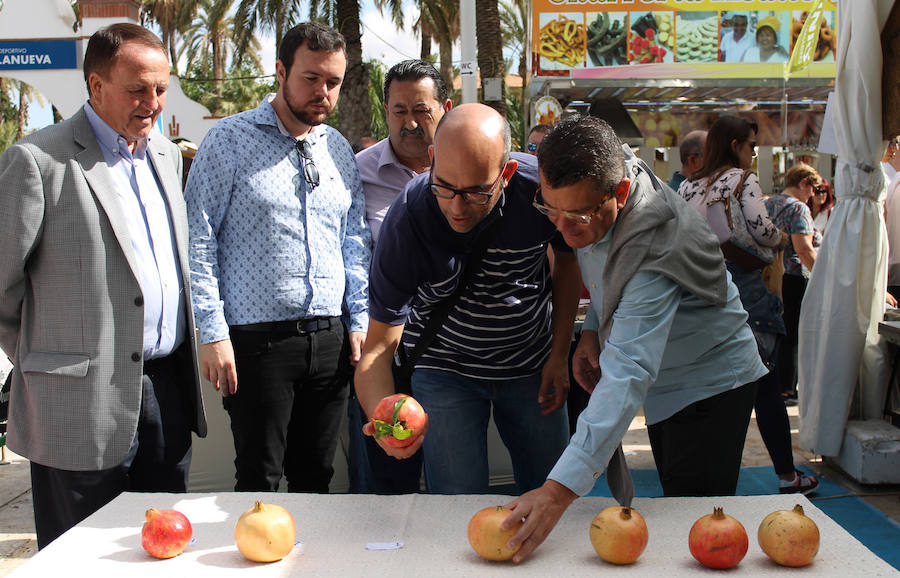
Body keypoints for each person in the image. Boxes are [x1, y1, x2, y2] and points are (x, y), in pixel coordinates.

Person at [499, 115, 767, 563]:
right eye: (551, 210)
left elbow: (627, 374)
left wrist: (556, 491)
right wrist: (591, 331)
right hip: (667, 378)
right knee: (674, 508)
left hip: (710, 381)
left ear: (621, 194)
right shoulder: (603, 168)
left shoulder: (655, 248)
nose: (563, 232)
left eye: (578, 218)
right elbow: (609, 275)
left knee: (697, 530)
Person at [0, 23, 207, 548]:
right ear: (96, 86)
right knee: (81, 556)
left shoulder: (163, 155)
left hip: (166, 394)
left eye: (160, 88)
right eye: (138, 88)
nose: (153, 102)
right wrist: (42, 362)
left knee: (163, 551)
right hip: (77, 405)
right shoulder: (37, 162)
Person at [354, 103, 581, 495]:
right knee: (456, 508)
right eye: (444, 187)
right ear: (431, 160)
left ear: (507, 173)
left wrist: (560, 354)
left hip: (533, 366)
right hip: (445, 372)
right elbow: (377, 348)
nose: (457, 208)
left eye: (476, 191)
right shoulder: (409, 216)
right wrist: (384, 417)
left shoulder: (540, 191)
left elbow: (568, 258)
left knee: (554, 495)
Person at [185, 22, 371, 493]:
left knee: (318, 477)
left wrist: (359, 320)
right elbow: (199, 241)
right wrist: (213, 333)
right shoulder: (228, 140)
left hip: (330, 341)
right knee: (259, 477)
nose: (323, 93)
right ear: (281, 70)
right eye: (311, 79)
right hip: (256, 344)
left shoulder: (338, 149)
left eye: (333, 82)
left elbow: (353, 239)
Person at [679, 116, 817, 495]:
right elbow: (761, 228)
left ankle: (708, 476)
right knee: (764, 383)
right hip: (744, 287)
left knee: (712, 387)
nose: (754, 153)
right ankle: (788, 476)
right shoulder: (742, 179)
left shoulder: (689, 186)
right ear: (737, 144)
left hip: (698, 289)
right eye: (752, 146)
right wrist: (781, 239)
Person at [349, 59, 452, 494]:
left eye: (421, 110)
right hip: (387, 351)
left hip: (459, 355)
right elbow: (347, 255)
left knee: (456, 479)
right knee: (388, 479)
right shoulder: (356, 172)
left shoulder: (474, 165)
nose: (409, 123)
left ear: (445, 108)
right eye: (398, 111)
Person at [765, 163, 823, 402]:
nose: (813, 194)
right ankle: (787, 388)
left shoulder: (767, 203)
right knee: (792, 334)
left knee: (775, 331)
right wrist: (825, 275)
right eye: (813, 188)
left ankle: (774, 384)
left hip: (768, 276)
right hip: (793, 277)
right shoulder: (798, 209)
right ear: (803, 183)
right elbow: (804, 250)